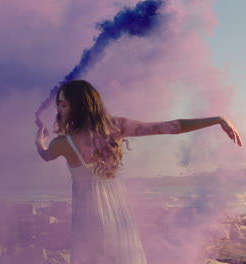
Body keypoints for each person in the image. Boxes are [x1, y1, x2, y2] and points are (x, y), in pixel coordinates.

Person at [34, 80, 242, 264]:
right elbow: (170, 127)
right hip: (117, 211)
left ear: (78, 106)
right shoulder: (116, 127)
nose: (59, 110)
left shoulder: (62, 143)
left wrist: (39, 141)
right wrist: (217, 119)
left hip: (87, 217)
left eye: (64, 104)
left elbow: (45, 155)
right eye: (59, 105)